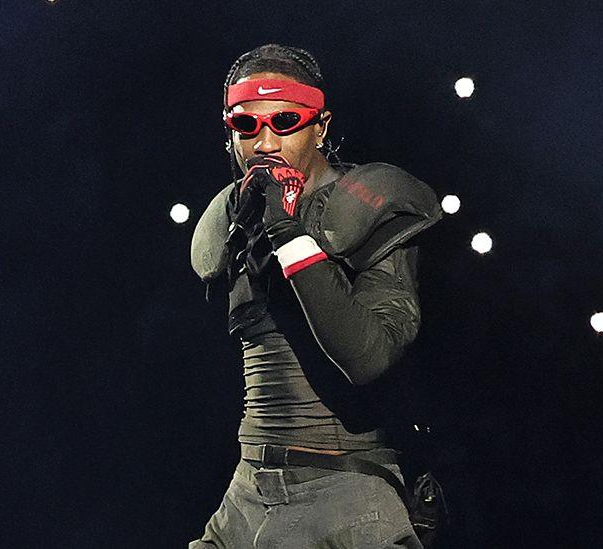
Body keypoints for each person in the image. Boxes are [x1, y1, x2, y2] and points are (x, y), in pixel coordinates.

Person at [188, 43, 443, 548]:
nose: (264, 142)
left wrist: (290, 234)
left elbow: (368, 357)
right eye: (246, 125)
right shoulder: (233, 217)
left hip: (345, 494)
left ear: (319, 127)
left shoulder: (368, 204)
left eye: (284, 121)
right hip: (247, 491)